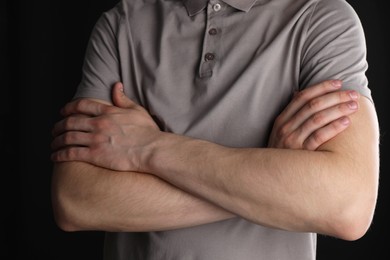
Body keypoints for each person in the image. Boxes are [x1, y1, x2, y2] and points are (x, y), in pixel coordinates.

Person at [50, 0, 380, 259]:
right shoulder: (121, 24)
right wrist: (270, 175)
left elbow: (347, 208)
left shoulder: (321, 18)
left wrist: (147, 148)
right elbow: (75, 200)